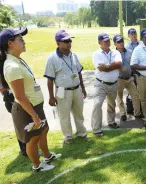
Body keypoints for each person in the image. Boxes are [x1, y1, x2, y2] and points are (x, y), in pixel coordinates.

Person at [0, 28, 61, 172]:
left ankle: (47, 156)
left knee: (43, 130)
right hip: (27, 109)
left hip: (34, 106)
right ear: (10, 43)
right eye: (20, 39)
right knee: (33, 139)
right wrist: (34, 115)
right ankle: (37, 166)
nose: (24, 41)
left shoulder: (18, 60)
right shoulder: (12, 66)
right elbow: (20, 97)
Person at [44, 30, 88, 144]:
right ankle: (68, 137)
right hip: (61, 90)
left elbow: (78, 72)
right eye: (66, 41)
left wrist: (83, 88)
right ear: (58, 43)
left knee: (79, 112)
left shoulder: (74, 55)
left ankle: (81, 133)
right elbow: (50, 79)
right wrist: (51, 97)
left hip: (76, 88)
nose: (69, 43)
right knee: (64, 115)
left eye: (70, 40)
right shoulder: (52, 58)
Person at [91, 33, 122, 134]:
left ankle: (111, 121)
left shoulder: (115, 52)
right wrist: (112, 66)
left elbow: (119, 64)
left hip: (113, 83)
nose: (107, 42)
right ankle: (96, 129)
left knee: (111, 104)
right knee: (97, 104)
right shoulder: (96, 54)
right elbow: (101, 68)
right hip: (101, 83)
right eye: (105, 41)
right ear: (99, 43)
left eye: (108, 40)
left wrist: (107, 66)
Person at [113, 34, 143, 121]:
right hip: (119, 79)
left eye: (122, 41)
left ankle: (137, 113)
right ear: (115, 44)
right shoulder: (113, 54)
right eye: (118, 42)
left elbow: (133, 64)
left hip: (129, 78)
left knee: (136, 96)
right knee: (119, 98)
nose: (121, 43)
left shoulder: (129, 51)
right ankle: (123, 113)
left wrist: (135, 75)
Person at [126, 28, 146, 110]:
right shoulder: (127, 46)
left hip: (143, 68)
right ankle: (135, 106)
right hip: (134, 70)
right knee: (135, 88)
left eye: (135, 33)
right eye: (132, 34)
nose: (134, 35)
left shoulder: (141, 43)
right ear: (128, 36)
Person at [1, 77, 27, 156]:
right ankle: (25, 149)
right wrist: (6, 92)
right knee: (20, 124)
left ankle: (29, 147)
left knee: (25, 123)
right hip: (11, 97)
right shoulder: (3, 65)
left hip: (16, 94)